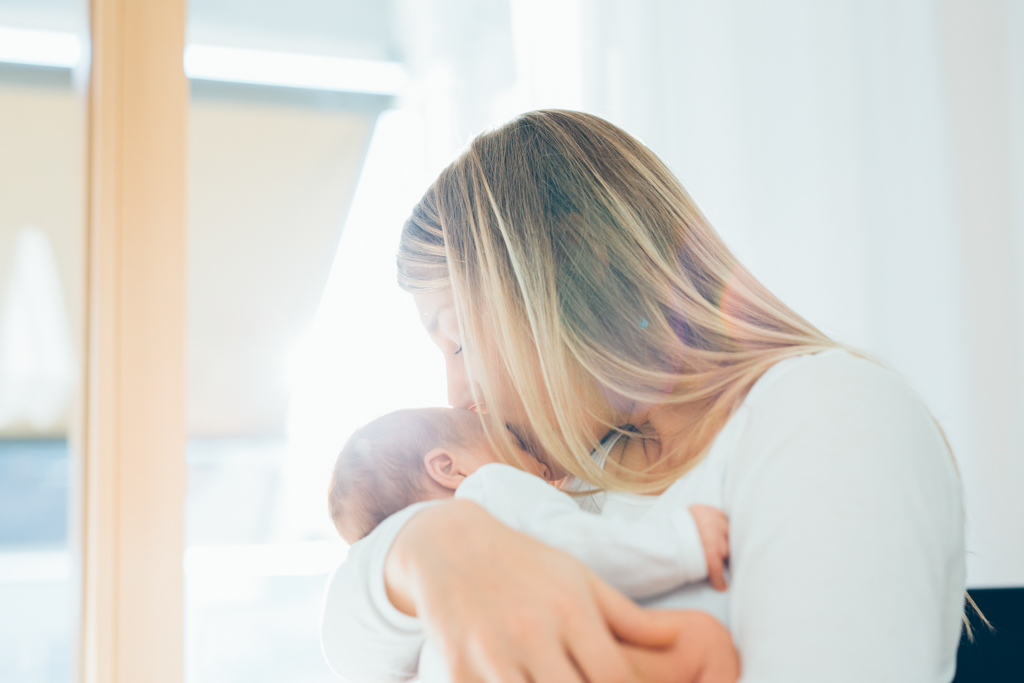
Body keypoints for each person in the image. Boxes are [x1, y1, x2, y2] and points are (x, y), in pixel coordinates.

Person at [321, 110, 966, 683]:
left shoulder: (827, 415)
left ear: (584, 265)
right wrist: (430, 549)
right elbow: (351, 649)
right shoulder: (569, 484)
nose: (459, 395)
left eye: (458, 341)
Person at [325, 406, 737, 682]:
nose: (540, 465)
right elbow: (581, 548)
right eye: (518, 445)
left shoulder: (424, 614)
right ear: (448, 468)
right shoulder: (489, 489)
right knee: (702, 643)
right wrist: (681, 544)